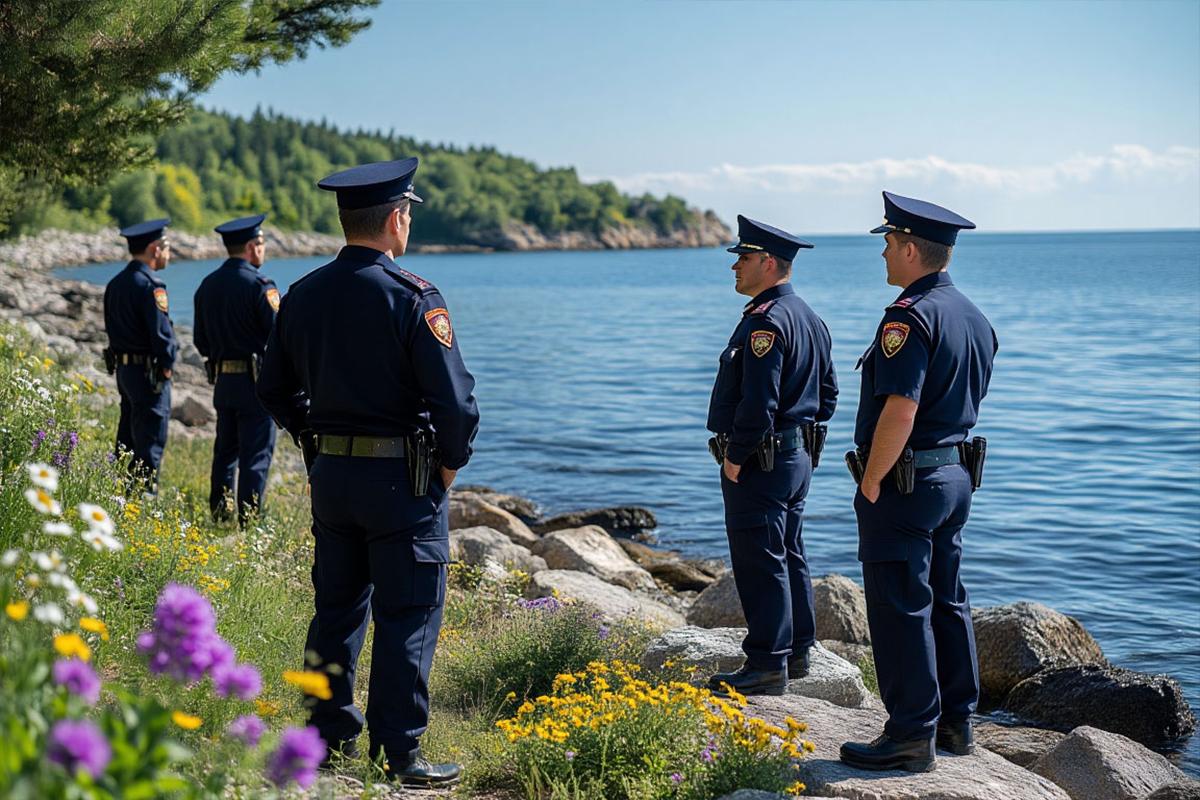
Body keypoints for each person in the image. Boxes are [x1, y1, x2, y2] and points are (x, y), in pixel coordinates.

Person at [256, 157, 479, 787]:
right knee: (408, 611)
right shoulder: (414, 296)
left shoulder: (302, 294)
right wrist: (449, 463)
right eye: (408, 214)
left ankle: (325, 738)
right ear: (396, 218)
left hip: (333, 480)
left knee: (336, 610)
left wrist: (313, 440)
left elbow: (272, 388)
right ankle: (399, 753)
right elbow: (457, 404)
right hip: (403, 483)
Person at [839, 191, 997, 773]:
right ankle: (957, 722)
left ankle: (909, 734)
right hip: (954, 476)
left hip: (907, 482)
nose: (882, 253)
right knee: (947, 599)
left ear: (910, 247)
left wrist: (873, 480)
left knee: (900, 605)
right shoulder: (973, 315)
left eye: (886, 242)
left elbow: (900, 409)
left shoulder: (908, 317)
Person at [705, 215, 838, 697]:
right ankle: (799, 650)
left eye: (742, 258)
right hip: (795, 456)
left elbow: (758, 403)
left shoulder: (766, 323)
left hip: (762, 459)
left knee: (760, 559)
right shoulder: (808, 317)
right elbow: (828, 395)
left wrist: (737, 456)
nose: (734, 267)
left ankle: (766, 664)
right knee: (790, 552)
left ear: (767, 262)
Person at [193, 214, 280, 525]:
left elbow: (200, 340)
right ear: (250, 246)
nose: (264, 249)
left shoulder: (207, 285)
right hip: (255, 383)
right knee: (256, 455)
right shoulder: (260, 285)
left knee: (225, 452)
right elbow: (278, 336)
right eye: (261, 243)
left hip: (223, 381)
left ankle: (219, 513)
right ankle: (249, 520)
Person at [103, 218, 177, 495]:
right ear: (154, 249)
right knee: (150, 442)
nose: (169, 254)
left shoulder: (116, 284)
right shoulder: (151, 286)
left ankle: (122, 495)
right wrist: (167, 368)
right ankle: (143, 500)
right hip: (148, 376)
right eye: (166, 247)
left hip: (124, 373)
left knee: (127, 438)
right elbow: (162, 337)